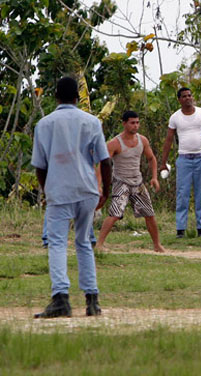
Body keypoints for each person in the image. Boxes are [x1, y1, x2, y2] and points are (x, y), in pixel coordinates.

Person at [31, 76, 111, 318]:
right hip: (87, 189)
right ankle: (92, 300)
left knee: (56, 243)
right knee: (84, 242)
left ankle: (61, 298)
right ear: (78, 97)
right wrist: (106, 191)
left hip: (59, 190)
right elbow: (105, 161)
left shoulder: (44, 124)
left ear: (55, 97)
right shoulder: (91, 121)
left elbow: (40, 166)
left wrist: (47, 191)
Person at [96, 111, 166, 253]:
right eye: (132, 123)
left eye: (137, 123)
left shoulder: (142, 140)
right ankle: (99, 244)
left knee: (149, 214)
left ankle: (157, 245)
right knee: (115, 213)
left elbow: (151, 158)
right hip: (121, 181)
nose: (135, 126)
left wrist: (154, 178)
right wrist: (98, 185)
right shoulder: (115, 143)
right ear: (124, 124)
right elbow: (102, 164)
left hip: (137, 181)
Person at [160, 87, 201, 238]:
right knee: (182, 194)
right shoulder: (175, 117)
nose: (188, 98)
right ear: (179, 99)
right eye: (184, 96)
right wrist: (163, 162)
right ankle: (180, 229)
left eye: (190, 95)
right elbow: (169, 140)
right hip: (184, 159)